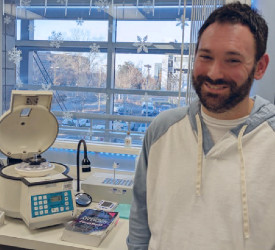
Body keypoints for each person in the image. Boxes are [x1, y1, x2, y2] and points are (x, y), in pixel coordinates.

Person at [127, 2, 275, 250]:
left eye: (233, 60)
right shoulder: (162, 130)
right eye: (205, 56)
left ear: (260, 67)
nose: (214, 73)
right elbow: (141, 217)